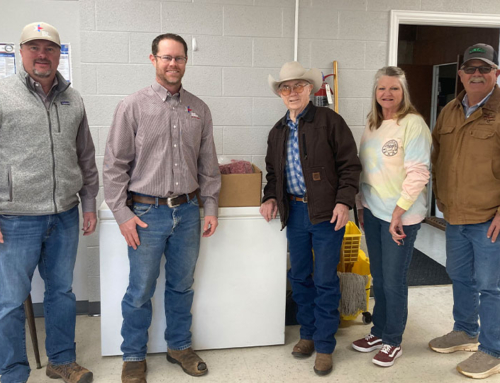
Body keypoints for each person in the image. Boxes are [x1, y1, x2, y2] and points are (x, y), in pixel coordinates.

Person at [103, 33, 220, 382]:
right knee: (140, 289)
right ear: (152, 59)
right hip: (145, 215)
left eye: (179, 58)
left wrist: (210, 207)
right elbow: (114, 166)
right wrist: (123, 215)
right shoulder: (132, 106)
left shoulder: (199, 109)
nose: (173, 64)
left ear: (186, 61)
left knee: (182, 286)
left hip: (187, 213)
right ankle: (134, 355)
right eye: (166, 57)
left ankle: (179, 346)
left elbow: (208, 166)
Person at [0, 22, 98, 383]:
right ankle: (11, 372)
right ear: (21, 51)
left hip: (65, 215)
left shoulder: (74, 98)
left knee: (61, 292)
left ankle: (61, 361)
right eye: (34, 47)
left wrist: (88, 202)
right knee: (10, 302)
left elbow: (85, 156)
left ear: (59, 54)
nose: (42, 55)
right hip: (15, 217)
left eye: (50, 49)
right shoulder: (2, 93)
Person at [260, 61, 361, 376]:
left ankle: (325, 344)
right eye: (285, 87)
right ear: (280, 93)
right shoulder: (277, 131)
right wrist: (270, 196)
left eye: (298, 86)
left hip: (327, 213)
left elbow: (350, 166)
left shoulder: (330, 121)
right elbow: (274, 174)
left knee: (325, 280)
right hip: (295, 212)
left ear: (310, 89)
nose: (292, 92)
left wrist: (344, 202)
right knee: (300, 277)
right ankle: (307, 334)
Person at [351, 66, 431, 368]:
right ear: (375, 92)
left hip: (401, 217)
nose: (387, 94)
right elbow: (366, 172)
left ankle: (393, 339)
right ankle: (379, 331)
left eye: (394, 88)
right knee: (380, 278)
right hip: (373, 212)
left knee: (394, 281)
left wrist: (399, 211)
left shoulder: (413, 124)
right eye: (382, 88)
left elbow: (419, 172)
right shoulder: (371, 125)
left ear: (403, 92)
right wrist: (360, 205)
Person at [429, 43, 500, 379]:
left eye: (483, 69)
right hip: (454, 215)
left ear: (496, 73)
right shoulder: (450, 110)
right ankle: (465, 331)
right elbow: (436, 155)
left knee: (492, 286)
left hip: (490, 218)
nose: (476, 74)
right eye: (470, 69)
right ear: (460, 75)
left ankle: (493, 349)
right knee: (460, 276)